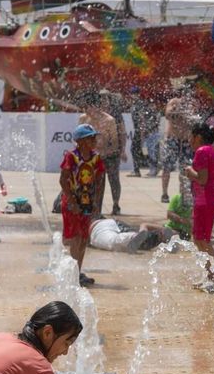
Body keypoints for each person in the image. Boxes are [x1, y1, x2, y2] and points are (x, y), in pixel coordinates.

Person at [59, 124, 106, 287]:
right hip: (72, 203)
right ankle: (74, 274)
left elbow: (99, 180)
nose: (94, 140)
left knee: (84, 238)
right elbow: (63, 180)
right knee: (75, 238)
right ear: (81, 141)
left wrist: (96, 203)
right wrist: (72, 201)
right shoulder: (71, 157)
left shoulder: (96, 158)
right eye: (91, 138)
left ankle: (77, 272)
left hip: (87, 202)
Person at [186, 123, 214, 288]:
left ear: (198, 137)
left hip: (205, 200)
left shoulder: (201, 152)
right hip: (208, 199)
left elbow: (202, 179)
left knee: (201, 239)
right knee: (201, 239)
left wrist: (189, 172)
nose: (190, 141)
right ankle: (210, 276)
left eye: (191, 137)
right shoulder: (211, 150)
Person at [79, 92, 123, 215]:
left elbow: (114, 142)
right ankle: (93, 207)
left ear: (96, 107)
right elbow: (77, 138)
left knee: (113, 180)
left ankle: (115, 204)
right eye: (84, 107)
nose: (85, 110)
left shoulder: (109, 120)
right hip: (92, 156)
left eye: (87, 107)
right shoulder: (83, 118)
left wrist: (105, 152)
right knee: (92, 182)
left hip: (109, 155)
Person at [159, 97, 192, 204]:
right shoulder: (173, 102)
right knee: (166, 168)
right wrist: (177, 109)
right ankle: (164, 193)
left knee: (185, 168)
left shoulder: (190, 103)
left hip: (185, 140)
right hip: (172, 139)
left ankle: (183, 193)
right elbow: (168, 115)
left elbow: (192, 119)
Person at [88, 217, 162, 253]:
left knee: (114, 242)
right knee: (114, 242)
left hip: (100, 227)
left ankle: (143, 232)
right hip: (103, 226)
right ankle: (144, 230)